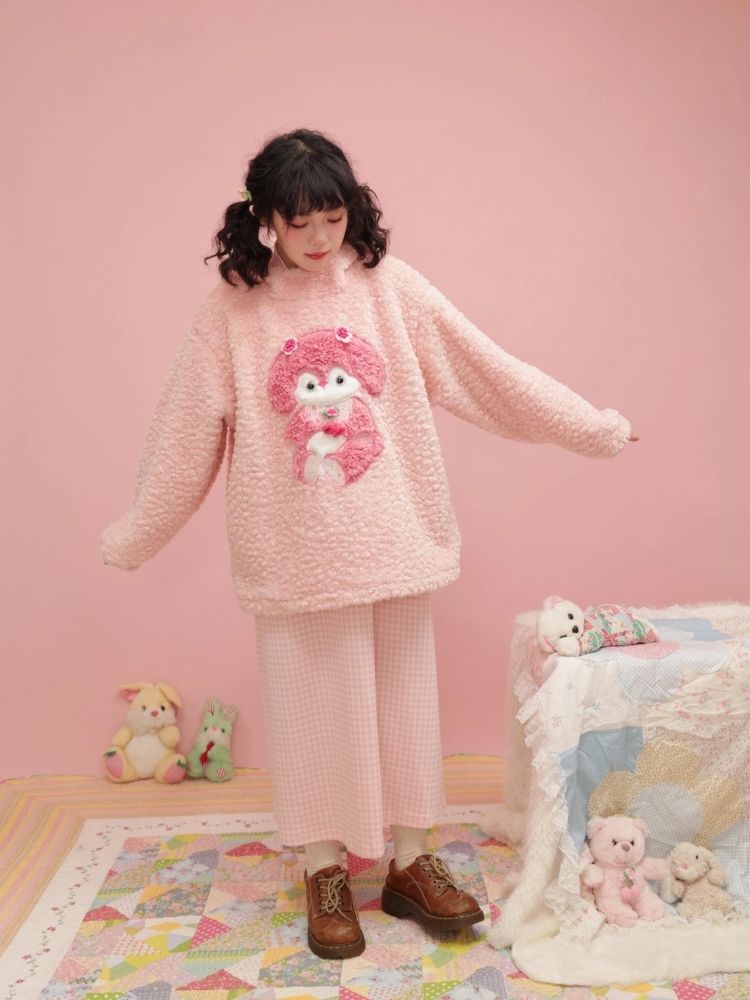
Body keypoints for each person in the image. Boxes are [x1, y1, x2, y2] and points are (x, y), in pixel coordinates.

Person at [100, 127, 637, 960]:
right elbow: (183, 436)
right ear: (265, 219)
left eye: (334, 217)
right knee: (309, 715)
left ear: (353, 209)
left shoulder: (392, 289)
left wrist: (593, 429)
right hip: (292, 552)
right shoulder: (234, 310)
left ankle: (412, 862)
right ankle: (323, 869)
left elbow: (488, 370)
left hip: (394, 540)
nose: (320, 238)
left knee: (404, 707)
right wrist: (136, 534)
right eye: (300, 222)